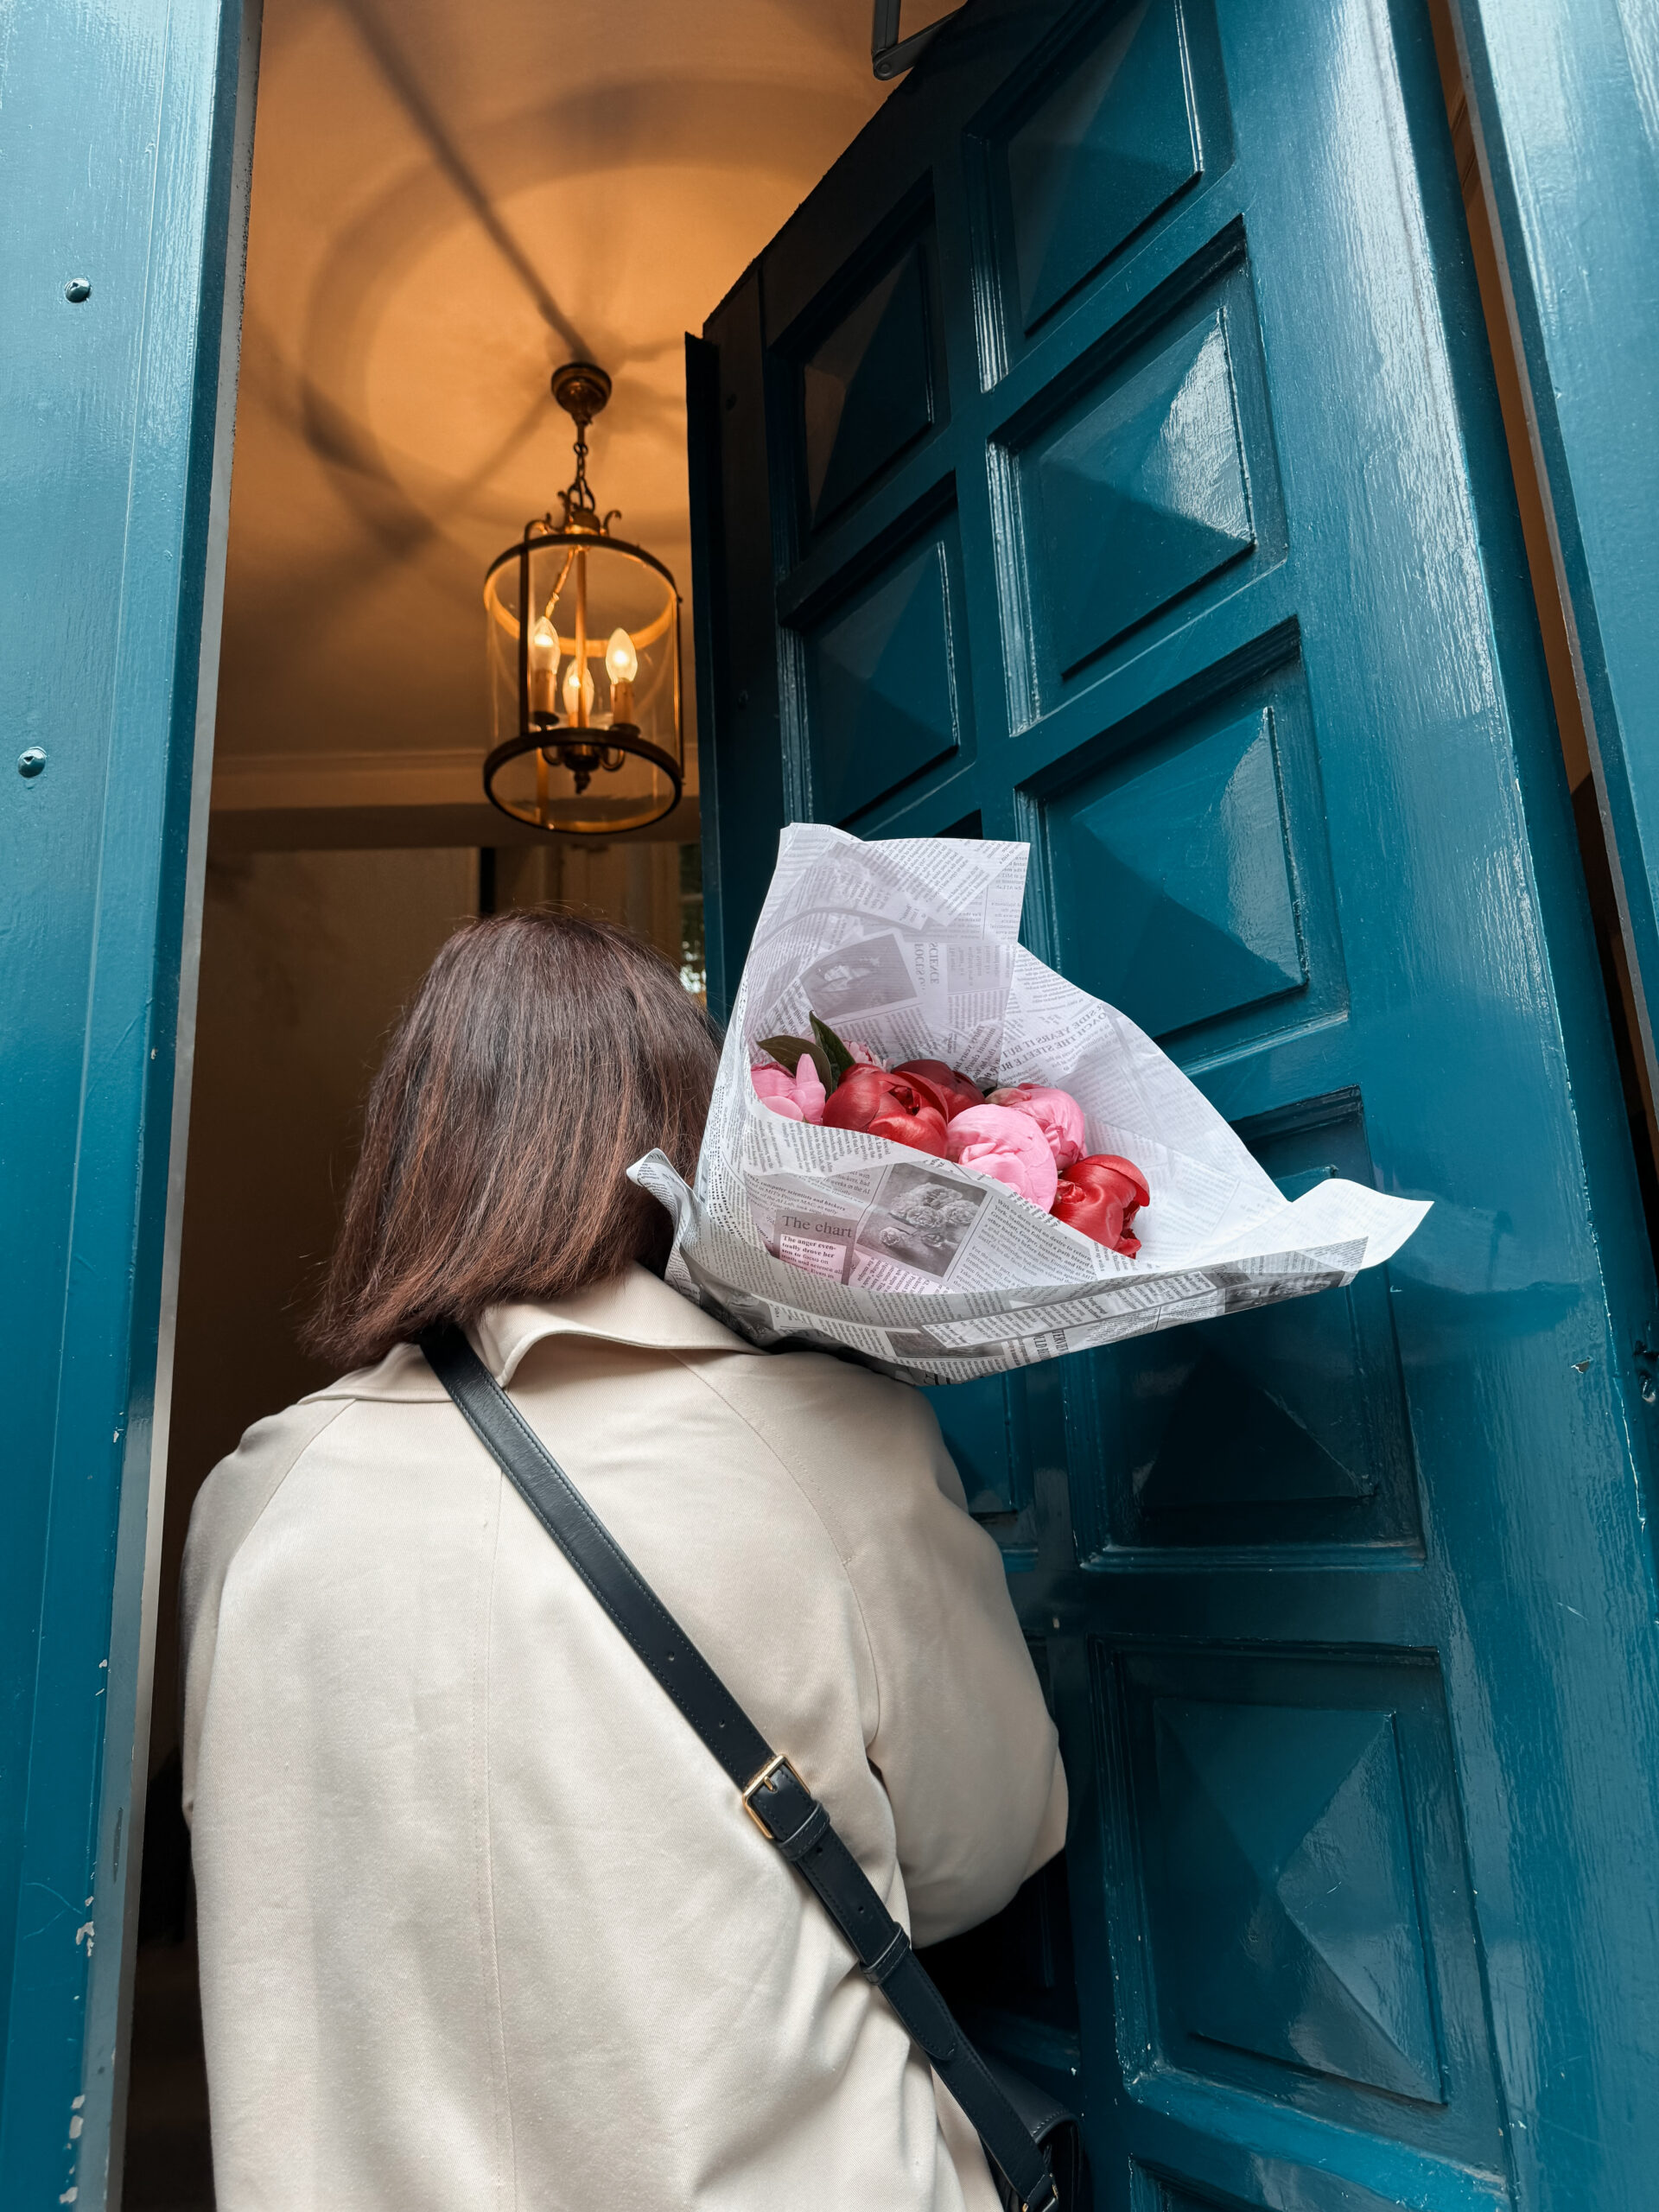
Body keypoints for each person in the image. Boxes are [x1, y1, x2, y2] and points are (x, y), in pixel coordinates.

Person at [181, 908, 1066, 2211]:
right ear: (690, 1144)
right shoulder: (835, 1451)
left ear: (407, 1155)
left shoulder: (256, 1497)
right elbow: (982, 1847)